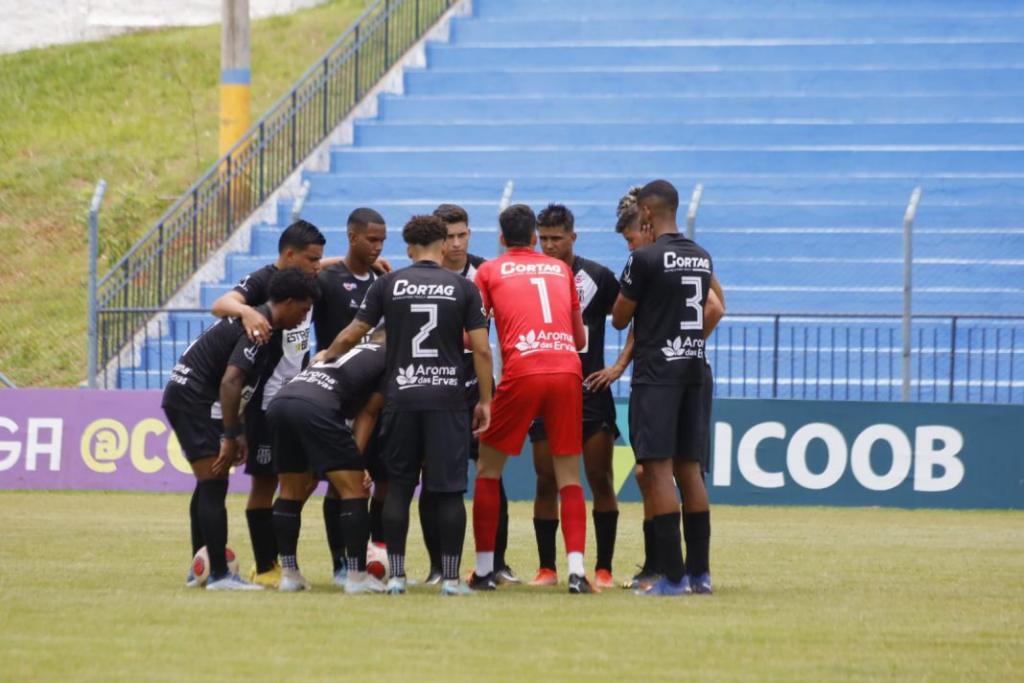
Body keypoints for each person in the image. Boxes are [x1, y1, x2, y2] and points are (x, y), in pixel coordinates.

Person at [319, 215, 493, 596]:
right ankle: (449, 579)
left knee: (397, 487)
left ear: (408, 247)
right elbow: (480, 348)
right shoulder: (463, 286)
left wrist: (325, 356)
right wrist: (484, 400)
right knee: (448, 492)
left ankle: (397, 576)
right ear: (443, 245)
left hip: (400, 398)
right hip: (447, 402)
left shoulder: (388, 284)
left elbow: (353, 334)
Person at [163, 267, 318, 590]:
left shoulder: (260, 321)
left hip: (187, 396)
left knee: (208, 483)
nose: (303, 319)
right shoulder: (259, 329)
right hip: (193, 401)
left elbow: (243, 386)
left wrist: (241, 430)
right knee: (214, 483)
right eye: (303, 311)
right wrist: (231, 437)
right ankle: (219, 575)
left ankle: (201, 567)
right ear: (288, 302)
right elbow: (231, 382)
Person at [470, 204, 596, 595]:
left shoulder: (488, 270)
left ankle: (483, 571)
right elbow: (579, 340)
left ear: (503, 239)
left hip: (523, 369)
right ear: (536, 237)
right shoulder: (560, 269)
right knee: (570, 477)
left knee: (489, 471)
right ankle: (577, 572)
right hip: (566, 369)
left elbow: (473, 334)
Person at [611, 180, 724, 596]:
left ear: (645, 212)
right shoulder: (701, 255)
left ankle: (672, 578)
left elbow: (621, 318)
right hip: (694, 368)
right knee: (690, 470)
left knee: (657, 470)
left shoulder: (644, 258)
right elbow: (716, 306)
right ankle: (701, 575)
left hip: (657, 374)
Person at [209, 220, 325, 587]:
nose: (317, 267)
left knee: (304, 481)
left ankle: (279, 560)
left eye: (320, 260)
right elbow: (220, 303)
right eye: (312, 260)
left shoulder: (304, 280)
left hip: (298, 401)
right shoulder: (264, 282)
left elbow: (325, 264)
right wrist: (246, 312)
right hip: (266, 406)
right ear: (289, 256)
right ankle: (266, 565)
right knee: (266, 485)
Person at [527, 203, 632, 590]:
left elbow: (635, 315)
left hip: (590, 391)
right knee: (545, 481)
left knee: (600, 478)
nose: (550, 246)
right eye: (544, 239)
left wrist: (619, 365)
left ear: (573, 237)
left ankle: (602, 568)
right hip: (544, 389)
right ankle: (546, 569)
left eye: (557, 238)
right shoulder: (531, 276)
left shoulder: (598, 277)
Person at [415, 204, 518, 587]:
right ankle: (438, 567)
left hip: (479, 389)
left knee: (490, 475)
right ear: (437, 240)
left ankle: (498, 564)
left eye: (463, 235)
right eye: (449, 237)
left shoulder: (488, 272)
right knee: (433, 477)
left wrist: (494, 390)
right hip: (434, 387)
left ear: (470, 234)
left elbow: (506, 329)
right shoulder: (420, 274)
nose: (456, 244)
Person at [265, 332, 389, 594]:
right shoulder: (391, 357)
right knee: (356, 490)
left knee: (289, 492)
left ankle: (289, 575)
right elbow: (369, 411)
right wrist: (356, 460)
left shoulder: (344, 349)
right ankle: (356, 577)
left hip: (281, 402)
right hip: (316, 406)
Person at [311, 207, 388, 586]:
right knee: (339, 481)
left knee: (369, 482)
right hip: (335, 395)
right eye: (371, 240)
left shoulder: (381, 280)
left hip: (373, 396)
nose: (377, 247)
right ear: (352, 236)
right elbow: (296, 276)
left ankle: (367, 560)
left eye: (382, 242)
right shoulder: (328, 279)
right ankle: (340, 564)